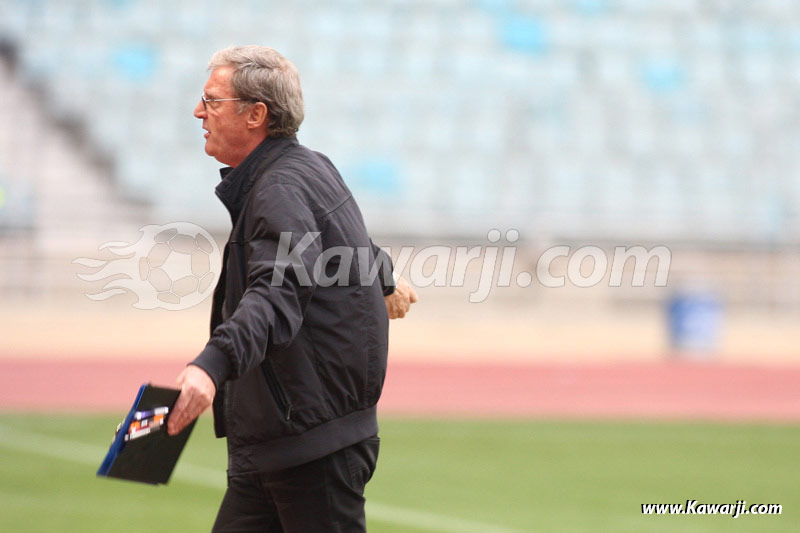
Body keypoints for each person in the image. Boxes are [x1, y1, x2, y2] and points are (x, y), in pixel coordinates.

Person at [166, 45, 418, 532]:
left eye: (212, 100)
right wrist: (383, 275)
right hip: (285, 444)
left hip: (311, 448)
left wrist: (210, 366)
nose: (199, 111)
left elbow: (278, 290)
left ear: (256, 114)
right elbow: (343, 239)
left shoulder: (280, 186)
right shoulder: (308, 167)